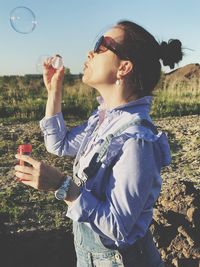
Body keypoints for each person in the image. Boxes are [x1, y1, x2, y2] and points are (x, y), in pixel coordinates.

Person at [15, 20, 183, 266]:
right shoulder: (103, 121)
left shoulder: (137, 140)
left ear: (124, 67)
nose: (89, 52)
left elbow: (117, 226)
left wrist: (62, 186)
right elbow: (58, 144)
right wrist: (54, 91)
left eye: (101, 45)